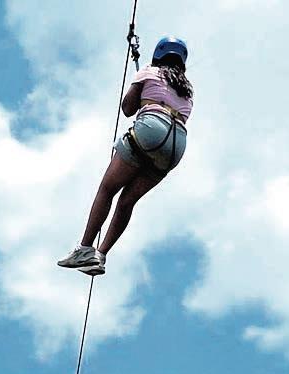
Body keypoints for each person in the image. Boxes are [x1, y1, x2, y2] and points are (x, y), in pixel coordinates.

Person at [58, 36, 194, 276]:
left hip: (151, 129)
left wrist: (139, 85)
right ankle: (101, 255)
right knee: (127, 202)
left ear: (158, 55)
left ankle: (85, 248)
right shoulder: (187, 91)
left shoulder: (149, 71)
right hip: (176, 145)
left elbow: (128, 109)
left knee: (108, 189)